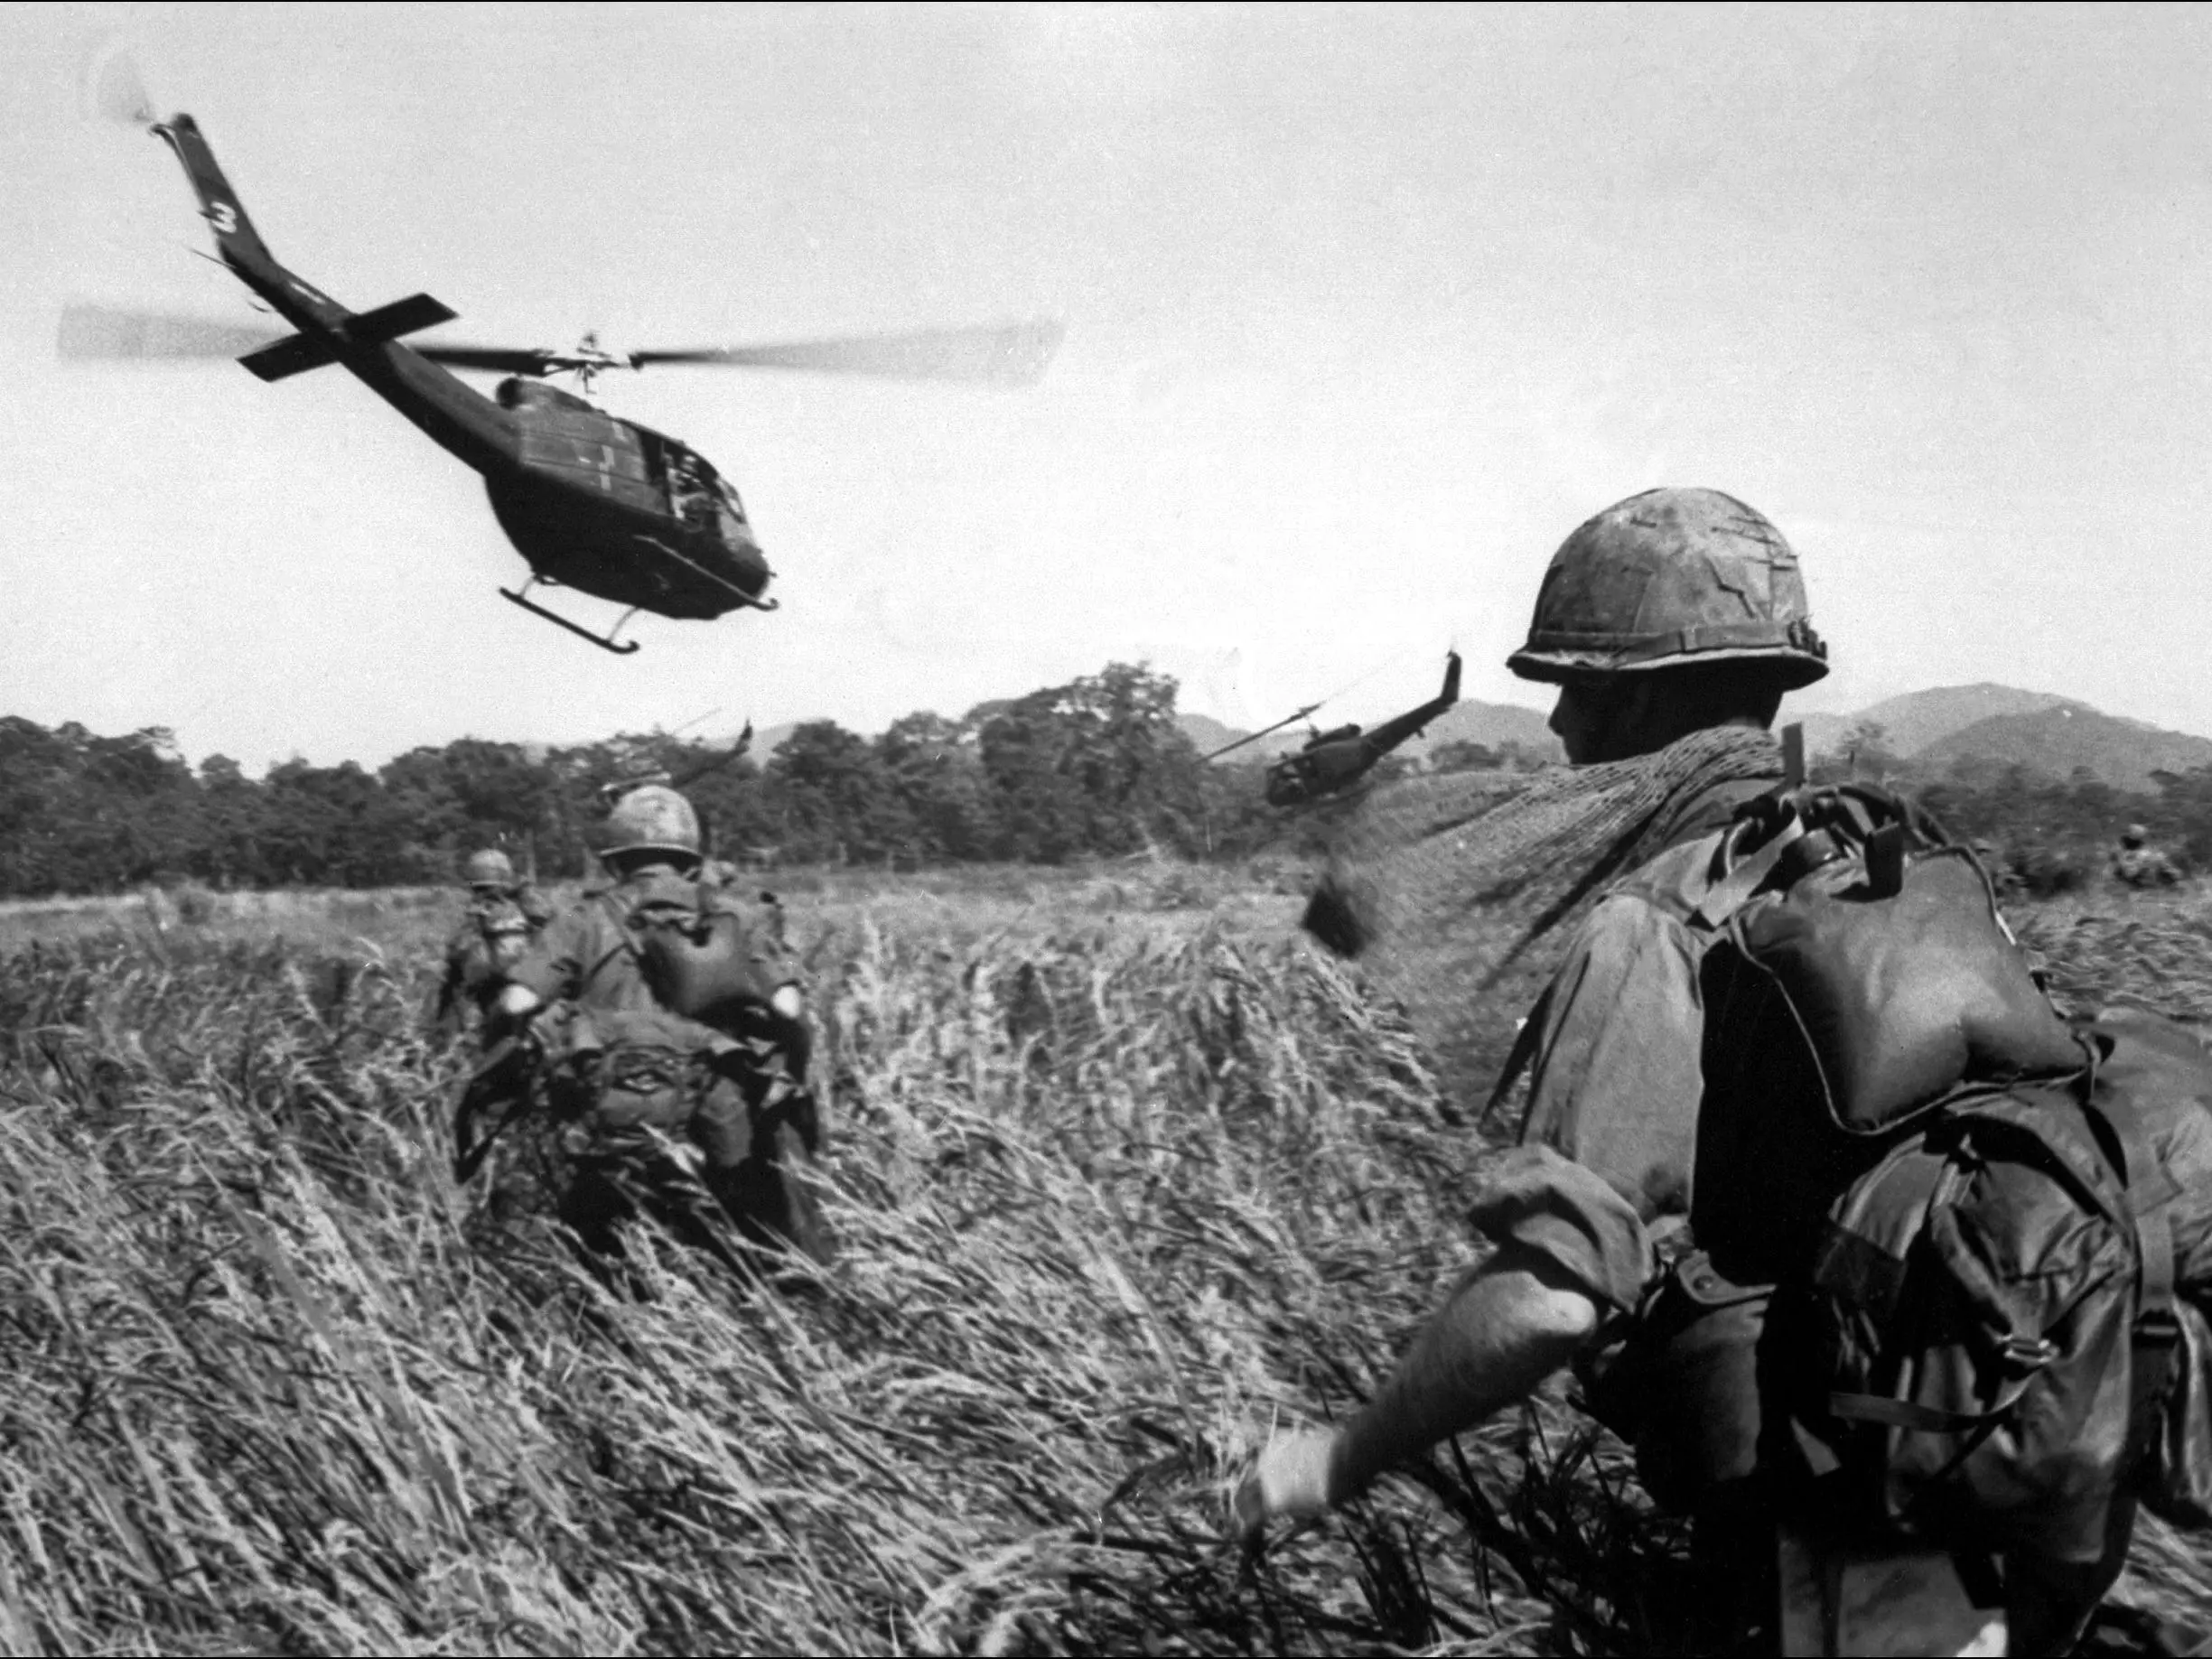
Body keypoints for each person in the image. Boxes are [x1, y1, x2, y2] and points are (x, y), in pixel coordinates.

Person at [1235, 488, 2173, 1654]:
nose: (1562, 724)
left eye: (1579, 685)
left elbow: (1553, 1294)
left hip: (1842, 1538)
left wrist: (1340, 1453)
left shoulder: (1663, 921)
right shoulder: (1899, 861)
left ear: (1642, 701)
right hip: (2028, 1462)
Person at [486, 784, 832, 1273]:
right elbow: (790, 1007)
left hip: (613, 1104)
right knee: (751, 1237)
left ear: (615, 861)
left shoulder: (581, 919)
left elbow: (518, 999)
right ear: (691, 860)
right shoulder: (734, 915)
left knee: (605, 1248)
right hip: (716, 1105)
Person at [433, 847, 553, 1038]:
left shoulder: (475, 913)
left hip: (488, 992)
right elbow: (547, 919)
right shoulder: (523, 909)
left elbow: (457, 955)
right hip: (526, 986)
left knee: (452, 997)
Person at [2113, 823, 2180, 889]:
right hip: (2128, 866)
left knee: (2157, 858)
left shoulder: (2140, 844)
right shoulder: (2122, 843)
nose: (2140, 835)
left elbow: (2147, 852)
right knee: (2145, 861)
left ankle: (2168, 874)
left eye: (2140, 833)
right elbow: (2120, 858)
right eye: (2137, 832)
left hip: (2136, 864)